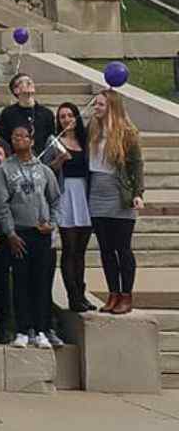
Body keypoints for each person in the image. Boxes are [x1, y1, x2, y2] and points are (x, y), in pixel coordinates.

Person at [0, 121, 61, 349]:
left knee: (41, 282)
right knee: (20, 282)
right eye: (14, 136)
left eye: (23, 136)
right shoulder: (4, 169)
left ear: (31, 141)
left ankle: (42, 329)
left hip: (41, 233)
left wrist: (52, 223)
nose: (18, 140)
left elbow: (55, 199)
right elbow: (2, 204)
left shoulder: (44, 170)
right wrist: (10, 233)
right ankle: (23, 329)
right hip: (19, 234)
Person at [87, 90, 145, 314]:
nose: (97, 108)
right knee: (106, 249)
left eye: (100, 104)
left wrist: (138, 192)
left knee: (122, 248)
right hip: (97, 193)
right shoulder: (93, 129)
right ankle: (112, 293)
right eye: (96, 105)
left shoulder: (127, 133)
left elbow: (137, 165)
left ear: (111, 106)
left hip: (119, 193)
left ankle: (126, 295)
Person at [46, 102, 94, 312]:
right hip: (66, 194)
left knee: (81, 251)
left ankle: (82, 294)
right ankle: (73, 295)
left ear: (76, 118)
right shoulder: (54, 141)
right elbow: (46, 170)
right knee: (70, 248)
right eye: (62, 116)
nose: (66, 119)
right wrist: (59, 160)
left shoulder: (86, 142)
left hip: (84, 195)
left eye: (69, 115)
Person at [0, 73, 55, 154]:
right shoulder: (8, 113)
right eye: (23, 82)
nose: (29, 82)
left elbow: (50, 140)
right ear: (16, 90)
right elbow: (4, 140)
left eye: (30, 81)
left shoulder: (47, 113)